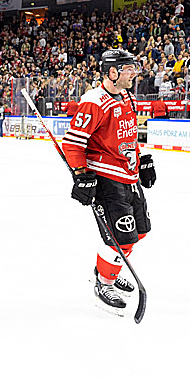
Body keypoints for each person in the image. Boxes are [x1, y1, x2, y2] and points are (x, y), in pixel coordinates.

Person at [62, 49, 156, 317]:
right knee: (120, 237)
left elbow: (129, 137)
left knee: (140, 230)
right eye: (128, 69)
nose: (133, 73)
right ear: (112, 72)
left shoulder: (127, 97)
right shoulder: (94, 101)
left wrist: (143, 160)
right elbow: (73, 142)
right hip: (106, 177)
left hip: (129, 174)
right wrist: (82, 175)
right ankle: (103, 285)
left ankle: (109, 271)